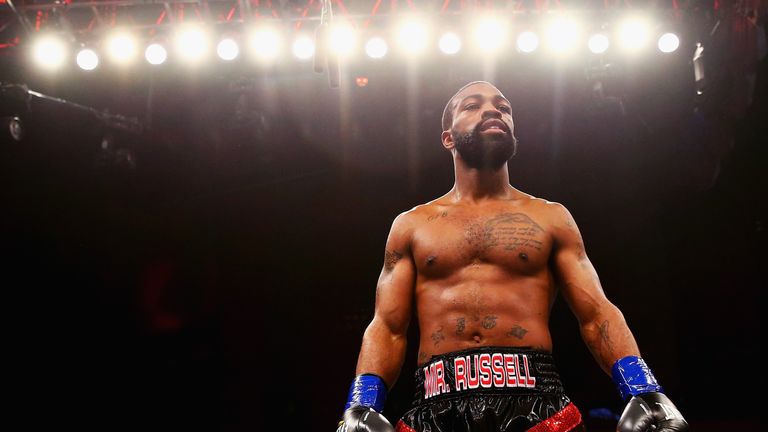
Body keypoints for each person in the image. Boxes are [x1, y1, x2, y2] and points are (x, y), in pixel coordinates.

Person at [336, 81, 688, 432]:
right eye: (472, 105)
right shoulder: (412, 225)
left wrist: (643, 389)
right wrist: (362, 403)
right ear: (448, 138)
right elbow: (387, 326)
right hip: (434, 405)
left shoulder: (549, 217)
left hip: (537, 403)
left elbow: (596, 312)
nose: (493, 110)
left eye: (503, 107)